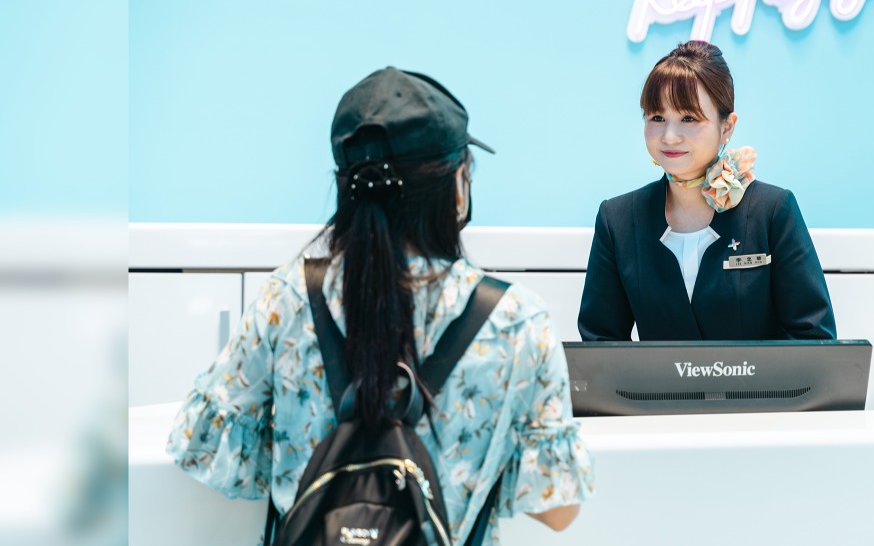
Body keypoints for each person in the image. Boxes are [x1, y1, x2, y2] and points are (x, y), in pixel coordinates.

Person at [166, 67, 593, 544]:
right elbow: (558, 510)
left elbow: (203, 451)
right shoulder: (516, 321)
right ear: (457, 186)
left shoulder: (286, 298)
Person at [579, 41, 837, 341]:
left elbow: (813, 337)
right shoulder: (618, 220)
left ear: (727, 127)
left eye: (688, 118)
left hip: (758, 377)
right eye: (657, 118)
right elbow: (600, 347)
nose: (669, 136)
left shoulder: (773, 211)